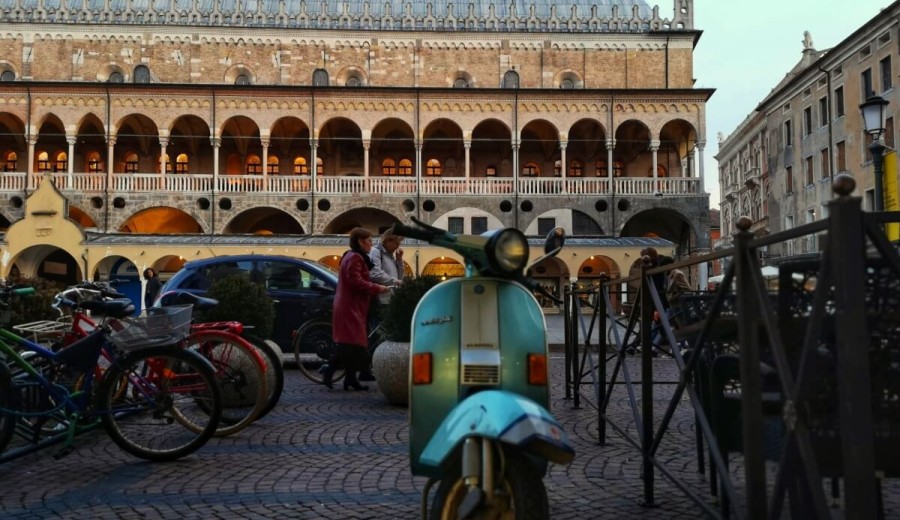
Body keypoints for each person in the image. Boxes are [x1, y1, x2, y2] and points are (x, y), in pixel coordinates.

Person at [324, 228, 391, 391]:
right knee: (352, 344)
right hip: (349, 306)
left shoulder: (353, 256)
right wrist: (378, 288)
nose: (371, 244)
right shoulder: (355, 258)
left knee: (352, 343)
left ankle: (350, 379)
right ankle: (330, 371)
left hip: (352, 305)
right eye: (369, 241)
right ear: (360, 242)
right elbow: (357, 282)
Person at [361, 228, 405, 381]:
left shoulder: (391, 256)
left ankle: (370, 365)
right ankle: (365, 367)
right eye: (396, 243)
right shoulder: (376, 252)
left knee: (381, 332)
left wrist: (399, 261)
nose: (397, 247)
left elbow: (399, 276)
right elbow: (375, 273)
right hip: (379, 298)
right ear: (388, 240)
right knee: (377, 332)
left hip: (389, 298)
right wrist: (394, 281)